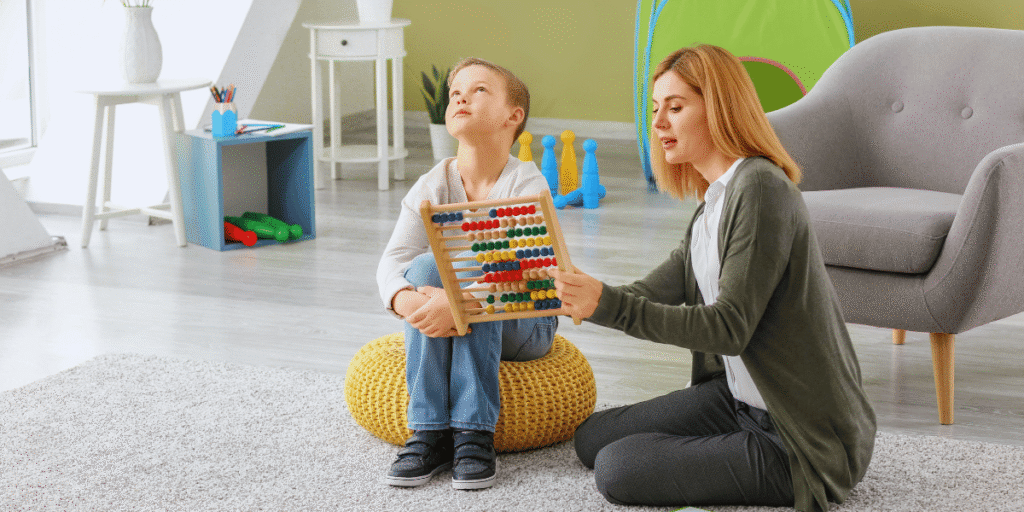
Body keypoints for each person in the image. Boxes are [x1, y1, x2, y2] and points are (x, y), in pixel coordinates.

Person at [551, 45, 876, 512]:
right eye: (655, 109)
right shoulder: (714, 201)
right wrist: (575, 293)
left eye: (676, 108)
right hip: (739, 401)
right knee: (592, 439)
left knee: (616, 468)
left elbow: (729, 328)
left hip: (801, 438)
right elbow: (653, 291)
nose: (658, 123)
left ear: (720, 107)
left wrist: (607, 304)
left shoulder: (760, 189)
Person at [376, 58, 557, 490]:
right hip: (459, 304)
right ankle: (429, 431)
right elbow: (391, 262)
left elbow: (525, 274)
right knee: (420, 267)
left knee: (484, 258)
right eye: (456, 91)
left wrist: (456, 302)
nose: (460, 96)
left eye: (478, 91)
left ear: (513, 118)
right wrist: (407, 299)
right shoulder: (432, 184)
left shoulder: (527, 184)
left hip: (526, 320)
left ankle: (474, 431)